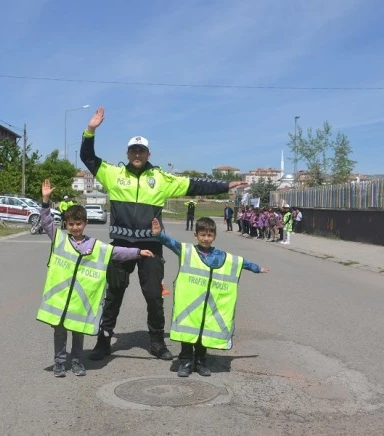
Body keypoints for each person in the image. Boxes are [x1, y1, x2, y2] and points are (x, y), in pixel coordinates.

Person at [80, 106, 247, 361]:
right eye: (133, 150)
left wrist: (225, 185)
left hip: (151, 245)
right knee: (113, 294)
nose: (137, 154)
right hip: (121, 245)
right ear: (127, 153)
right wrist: (91, 129)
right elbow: (88, 157)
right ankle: (103, 342)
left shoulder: (160, 178)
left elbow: (194, 184)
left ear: (148, 153)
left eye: (141, 151)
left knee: (154, 297)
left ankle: (157, 341)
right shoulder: (113, 174)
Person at [36, 179, 155, 377]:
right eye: (71, 224)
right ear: (66, 224)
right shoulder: (60, 240)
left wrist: (137, 252)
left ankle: (76, 361)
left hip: (80, 302)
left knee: (78, 331)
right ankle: (59, 361)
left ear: (85, 223)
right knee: (59, 332)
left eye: (78, 224)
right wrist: (46, 200)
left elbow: (116, 252)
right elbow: (46, 221)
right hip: (60, 299)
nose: (75, 227)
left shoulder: (95, 246)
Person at [151, 217, 270, 377]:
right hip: (190, 305)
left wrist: (256, 268)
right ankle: (186, 362)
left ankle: (200, 362)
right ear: (196, 236)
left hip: (208, 307)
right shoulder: (187, 251)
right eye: (202, 235)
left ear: (214, 236)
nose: (206, 239)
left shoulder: (220, 256)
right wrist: (159, 235)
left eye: (209, 235)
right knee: (188, 334)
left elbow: (238, 262)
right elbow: (172, 244)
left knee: (203, 336)